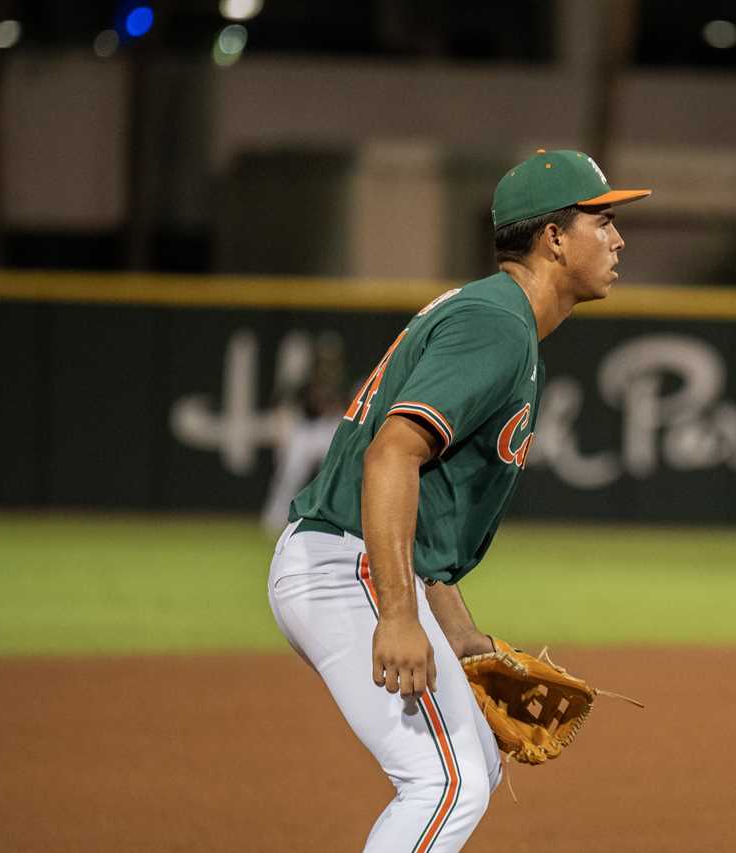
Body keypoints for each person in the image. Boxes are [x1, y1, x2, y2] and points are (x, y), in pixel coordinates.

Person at [267, 149, 650, 853]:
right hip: (347, 566)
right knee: (445, 782)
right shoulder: (497, 323)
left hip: (360, 563)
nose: (619, 238)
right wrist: (398, 612)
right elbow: (391, 453)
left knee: (469, 752)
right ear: (554, 237)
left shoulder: (504, 322)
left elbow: (430, 517)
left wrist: (462, 635)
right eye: (603, 220)